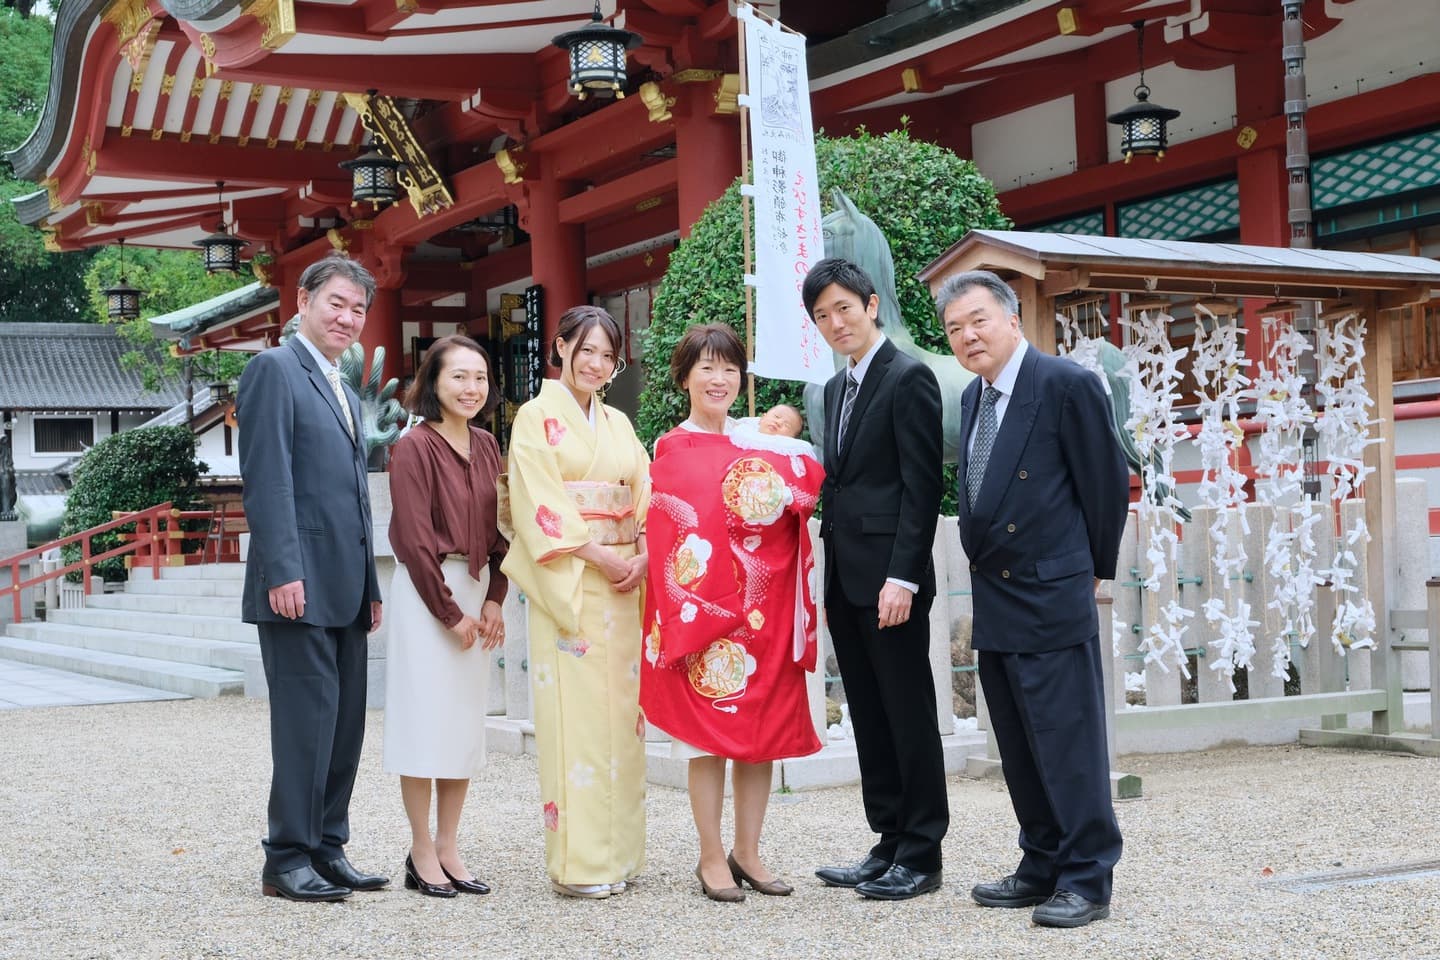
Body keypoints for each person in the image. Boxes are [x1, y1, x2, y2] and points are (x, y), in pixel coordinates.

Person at [941, 270, 1128, 929]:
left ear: (1012, 320)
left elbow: (1105, 485)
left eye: (978, 320)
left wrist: (1091, 571)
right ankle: (1042, 861)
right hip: (997, 593)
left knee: (1067, 741)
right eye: (955, 328)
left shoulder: (1064, 384)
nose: (968, 336)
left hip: (1051, 590)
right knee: (1020, 746)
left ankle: (1087, 877)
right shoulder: (974, 396)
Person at [640, 324, 823, 904]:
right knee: (707, 738)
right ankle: (711, 854)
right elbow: (672, 530)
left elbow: (799, 496)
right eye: (706, 368)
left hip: (763, 610)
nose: (719, 379)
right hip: (706, 608)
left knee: (759, 735)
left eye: (729, 369)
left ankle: (749, 850)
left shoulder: (761, 442)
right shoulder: (673, 447)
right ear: (685, 377)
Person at [236, 254, 387, 903]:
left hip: (345, 584)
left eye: (358, 309)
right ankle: (286, 855)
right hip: (295, 583)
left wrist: (371, 587)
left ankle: (327, 846)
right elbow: (266, 476)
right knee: (305, 723)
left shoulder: (345, 390)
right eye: (337, 303)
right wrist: (281, 569)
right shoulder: (274, 370)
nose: (347, 318)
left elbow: (355, 496)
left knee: (345, 723)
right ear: (303, 300)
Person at [804, 258, 948, 901]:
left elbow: (922, 486)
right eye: (822, 315)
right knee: (869, 713)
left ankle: (922, 852)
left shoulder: (908, 376)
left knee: (907, 714)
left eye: (844, 308)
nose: (835, 323)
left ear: (870, 305)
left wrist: (904, 578)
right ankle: (888, 840)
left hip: (891, 584)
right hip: (846, 578)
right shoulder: (837, 388)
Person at [499, 305, 650, 900]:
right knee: (576, 721)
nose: (596, 364)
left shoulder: (618, 423)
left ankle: (621, 854)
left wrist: (641, 552)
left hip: (623, 584)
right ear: (560, 347)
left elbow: (644, 490)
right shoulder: (535, 418)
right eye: (586, 350)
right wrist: (601, 556)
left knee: (623, 722)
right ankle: (580, 863)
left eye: (607, 356)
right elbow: (537, 502)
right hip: (572, 582)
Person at [384, 335, 509, 899]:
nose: (471, 388)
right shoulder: (413, 447)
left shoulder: (487, 444)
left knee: (461, 726)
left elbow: (504, 531)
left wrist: (494, 598)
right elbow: (413, 540)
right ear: (432, 381)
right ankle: (420, 849)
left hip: (476, 590)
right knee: (423, 722)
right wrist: (450, 613)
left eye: (479, 377)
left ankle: (450, 846)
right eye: (458, 376)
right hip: (427, 595)